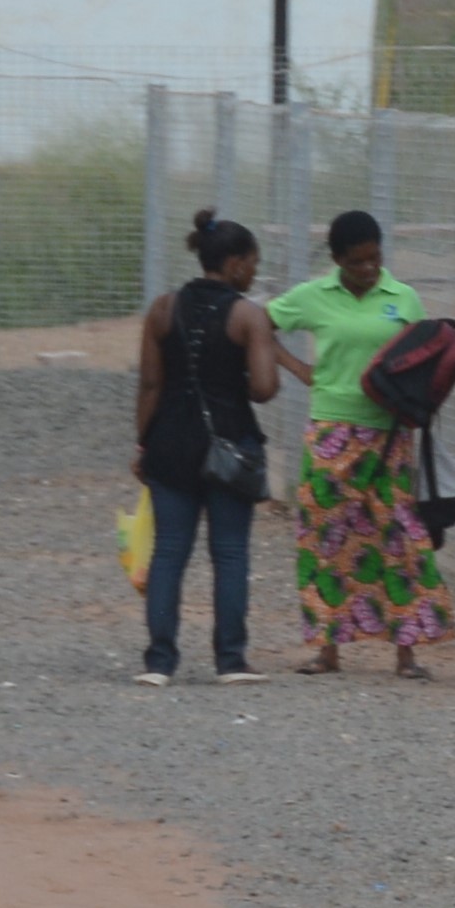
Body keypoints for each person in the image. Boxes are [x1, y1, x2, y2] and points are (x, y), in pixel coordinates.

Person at [266, 208, 451, 679]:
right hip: (332, 433)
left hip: (390, 437)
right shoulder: (312, 296)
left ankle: (406, 653)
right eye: (357, 262)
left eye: (375, 258)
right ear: (337, 260)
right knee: (324, 535)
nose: (369, 269)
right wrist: (300, 370)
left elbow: (423, 359)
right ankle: (327, 650)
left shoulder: (403, 298)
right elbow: (258, 323)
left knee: (399, 538)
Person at [131, 210, 282, 686]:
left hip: (170, 443)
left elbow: (150, 385)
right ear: (235, 264)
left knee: (169, 552)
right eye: (253, 264)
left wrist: (143, 444)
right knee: (230, 554)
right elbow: (264, 388)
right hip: (231, 445)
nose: (254, 273)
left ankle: (159, 662)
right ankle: (231, 660)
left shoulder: (162, 309)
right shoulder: (248, 315)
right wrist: (251, 366)